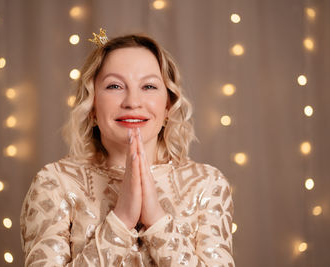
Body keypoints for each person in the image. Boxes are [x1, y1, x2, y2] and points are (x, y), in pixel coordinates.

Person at [20, 29, 235, 267]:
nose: (132, 102)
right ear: (91, 107)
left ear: (168, 106)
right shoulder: (55, 183)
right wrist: (121, 220)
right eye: (114, 86)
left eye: (149, 87)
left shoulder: (207, 184)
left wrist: (156, 219)